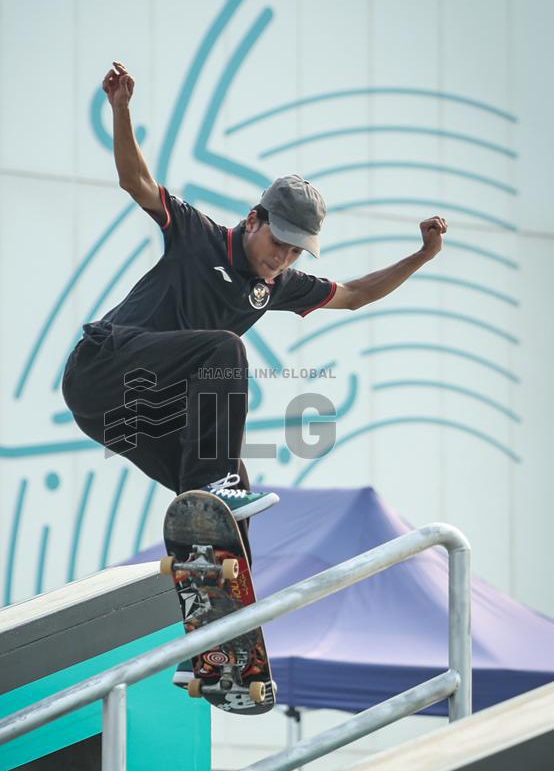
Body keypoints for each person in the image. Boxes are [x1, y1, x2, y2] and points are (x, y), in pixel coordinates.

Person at [62, 61, 448, 566]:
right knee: (224, 350)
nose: (282, 259)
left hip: (126, 417)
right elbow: (136, 182)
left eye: (295, 252)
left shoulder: (279, 286)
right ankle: (214, 488)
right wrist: (121, 110)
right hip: (100, 370)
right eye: (278, 242)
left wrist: (421, 256)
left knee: (232, 498)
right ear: (252, 221)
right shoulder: (196, 234)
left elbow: (354, 294)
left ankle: (219, 593)